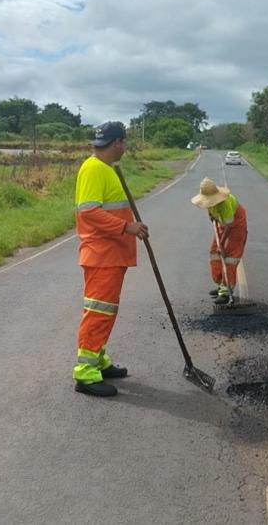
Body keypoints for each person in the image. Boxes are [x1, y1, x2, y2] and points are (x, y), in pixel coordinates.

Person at [72, 121, 149, 397]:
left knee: (106, 311)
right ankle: (86, 373)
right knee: (98, 311)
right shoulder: (93, 169)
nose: (125, 148)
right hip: (102, 254)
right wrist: (127, 227)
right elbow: (89, 211)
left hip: (113, 254)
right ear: (117, 142)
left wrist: (130, 228)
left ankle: (98, 360)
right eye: (124, 143)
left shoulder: (107, 169)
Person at [190, 177, 248, 306]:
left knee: (229, 258)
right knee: (214, 253)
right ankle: (221, 284)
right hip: (224, 223)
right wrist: (211, 216)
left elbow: (228, 226)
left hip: (236, 225)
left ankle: (227, 292)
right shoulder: (209, 201)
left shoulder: (225, 203)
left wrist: (221, 244)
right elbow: (211, 210)